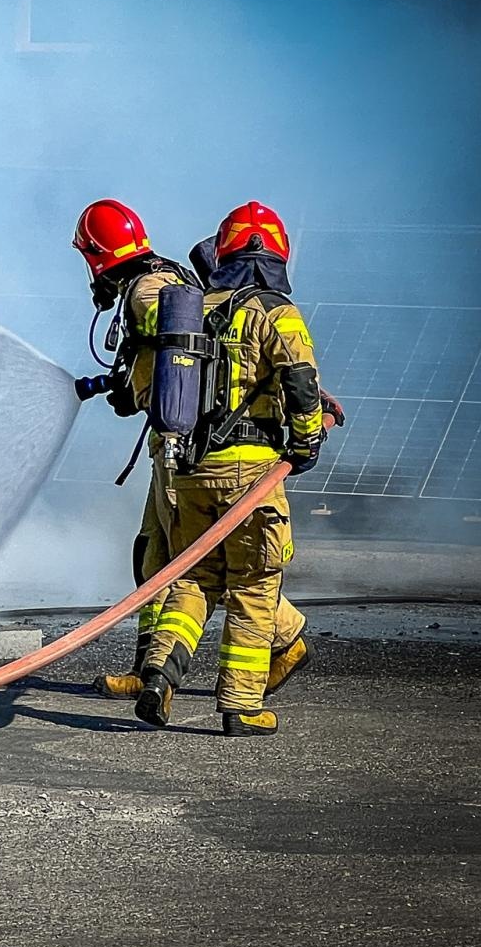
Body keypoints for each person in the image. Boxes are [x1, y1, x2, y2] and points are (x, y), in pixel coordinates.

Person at [71, 202, 314, 701]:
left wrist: (136, 390)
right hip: (187, 442)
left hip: (186, 444)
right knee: (164, 556)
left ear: (97, 255)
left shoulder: (145, 292)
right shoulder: (169, 277)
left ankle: (277, 642)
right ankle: (152, 668)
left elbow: (179, 357)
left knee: (191, 560)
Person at [133, 201, 332, 736]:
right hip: (251, 473)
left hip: (191, 470)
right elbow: (300, 380)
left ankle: (159, 674)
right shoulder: (275, 311)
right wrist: (307, 441)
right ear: (277, 254)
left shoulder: (192, 309)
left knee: (194, 576)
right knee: (253, 583)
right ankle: (241, 705)